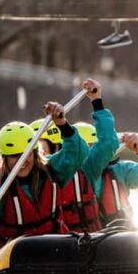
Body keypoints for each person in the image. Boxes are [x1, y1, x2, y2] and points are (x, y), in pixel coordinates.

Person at [0, 100, 88, 255]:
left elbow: (78, 153)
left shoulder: (52, 171)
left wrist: (62, 123)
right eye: (14, 156)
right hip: (13, 258)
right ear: (5, 158)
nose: (22, 161)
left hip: (54, 251)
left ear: (35, 154)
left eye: (25, 155)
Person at [73, 121, 138, 236]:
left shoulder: (120, 170)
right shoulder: (64, 175)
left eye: (96, 146)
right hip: (87, 241)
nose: (97, 153)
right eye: (89, 148)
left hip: (124, 238)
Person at [54, 78, 121, 232]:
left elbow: (108, 143)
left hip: (92, 239)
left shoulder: (86, 168)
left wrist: (97, 101)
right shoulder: (44, 171)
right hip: (59, 243)